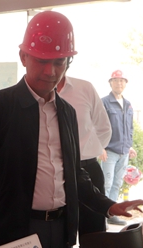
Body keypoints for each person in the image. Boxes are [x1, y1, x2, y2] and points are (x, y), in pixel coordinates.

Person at [0, 11, 143, 248]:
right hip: (14, 234)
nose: (50, 71)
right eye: (41, 61)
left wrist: (109, 206)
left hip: (61, 231)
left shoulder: (67, 112)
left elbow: (74, 175)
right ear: (23, 57)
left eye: (59, 62)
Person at [57, 74, 112, 235]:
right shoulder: (33, 93)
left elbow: (104, 128)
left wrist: (86, 150)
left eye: (59, 62)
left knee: (94, 237)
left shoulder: (84, 88)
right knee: (58, 234)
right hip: (52, 172)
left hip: (87, 167)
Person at [100, 70, 137, 226]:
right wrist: (100, 147)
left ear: (125, 83)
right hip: (109, 151)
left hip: (124, 152)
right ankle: (102, 216)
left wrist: (129, 146)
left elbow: (130, 128)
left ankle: (112, 215)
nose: (119, 83)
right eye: (116, 80)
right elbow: (98, 126)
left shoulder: (128, 104)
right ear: (110, 83)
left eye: (122, 81)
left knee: (117, 184)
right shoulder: (104, 102)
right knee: (106, 184)